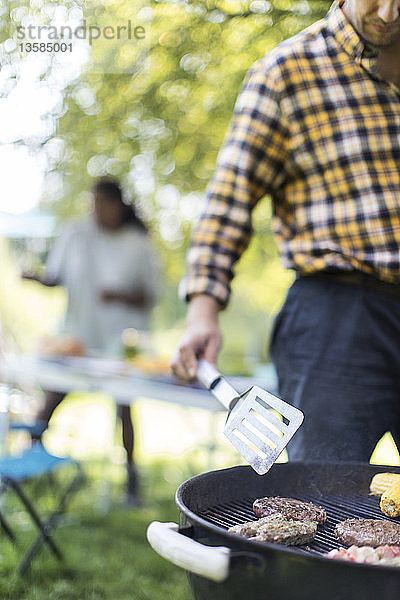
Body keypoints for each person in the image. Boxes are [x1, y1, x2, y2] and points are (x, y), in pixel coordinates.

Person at [171, 0, 400, 463]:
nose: (390, 13)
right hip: (339, 321)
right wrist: (202, 312)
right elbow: (227, 202)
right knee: (322, 499)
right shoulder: (286, 72)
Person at [24, 179, 160, 504]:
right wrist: (33, 276)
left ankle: (131, 479)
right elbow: (56, 277)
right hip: (79, 337)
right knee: (52, 396)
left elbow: (151, 295)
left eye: (104, 203)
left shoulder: (137, 243)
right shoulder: (76, 234)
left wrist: (119, 295)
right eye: (93, 203)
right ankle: (27, 465)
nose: (97, 210)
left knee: (125, 408)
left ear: (119, 205)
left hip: (120, 343)